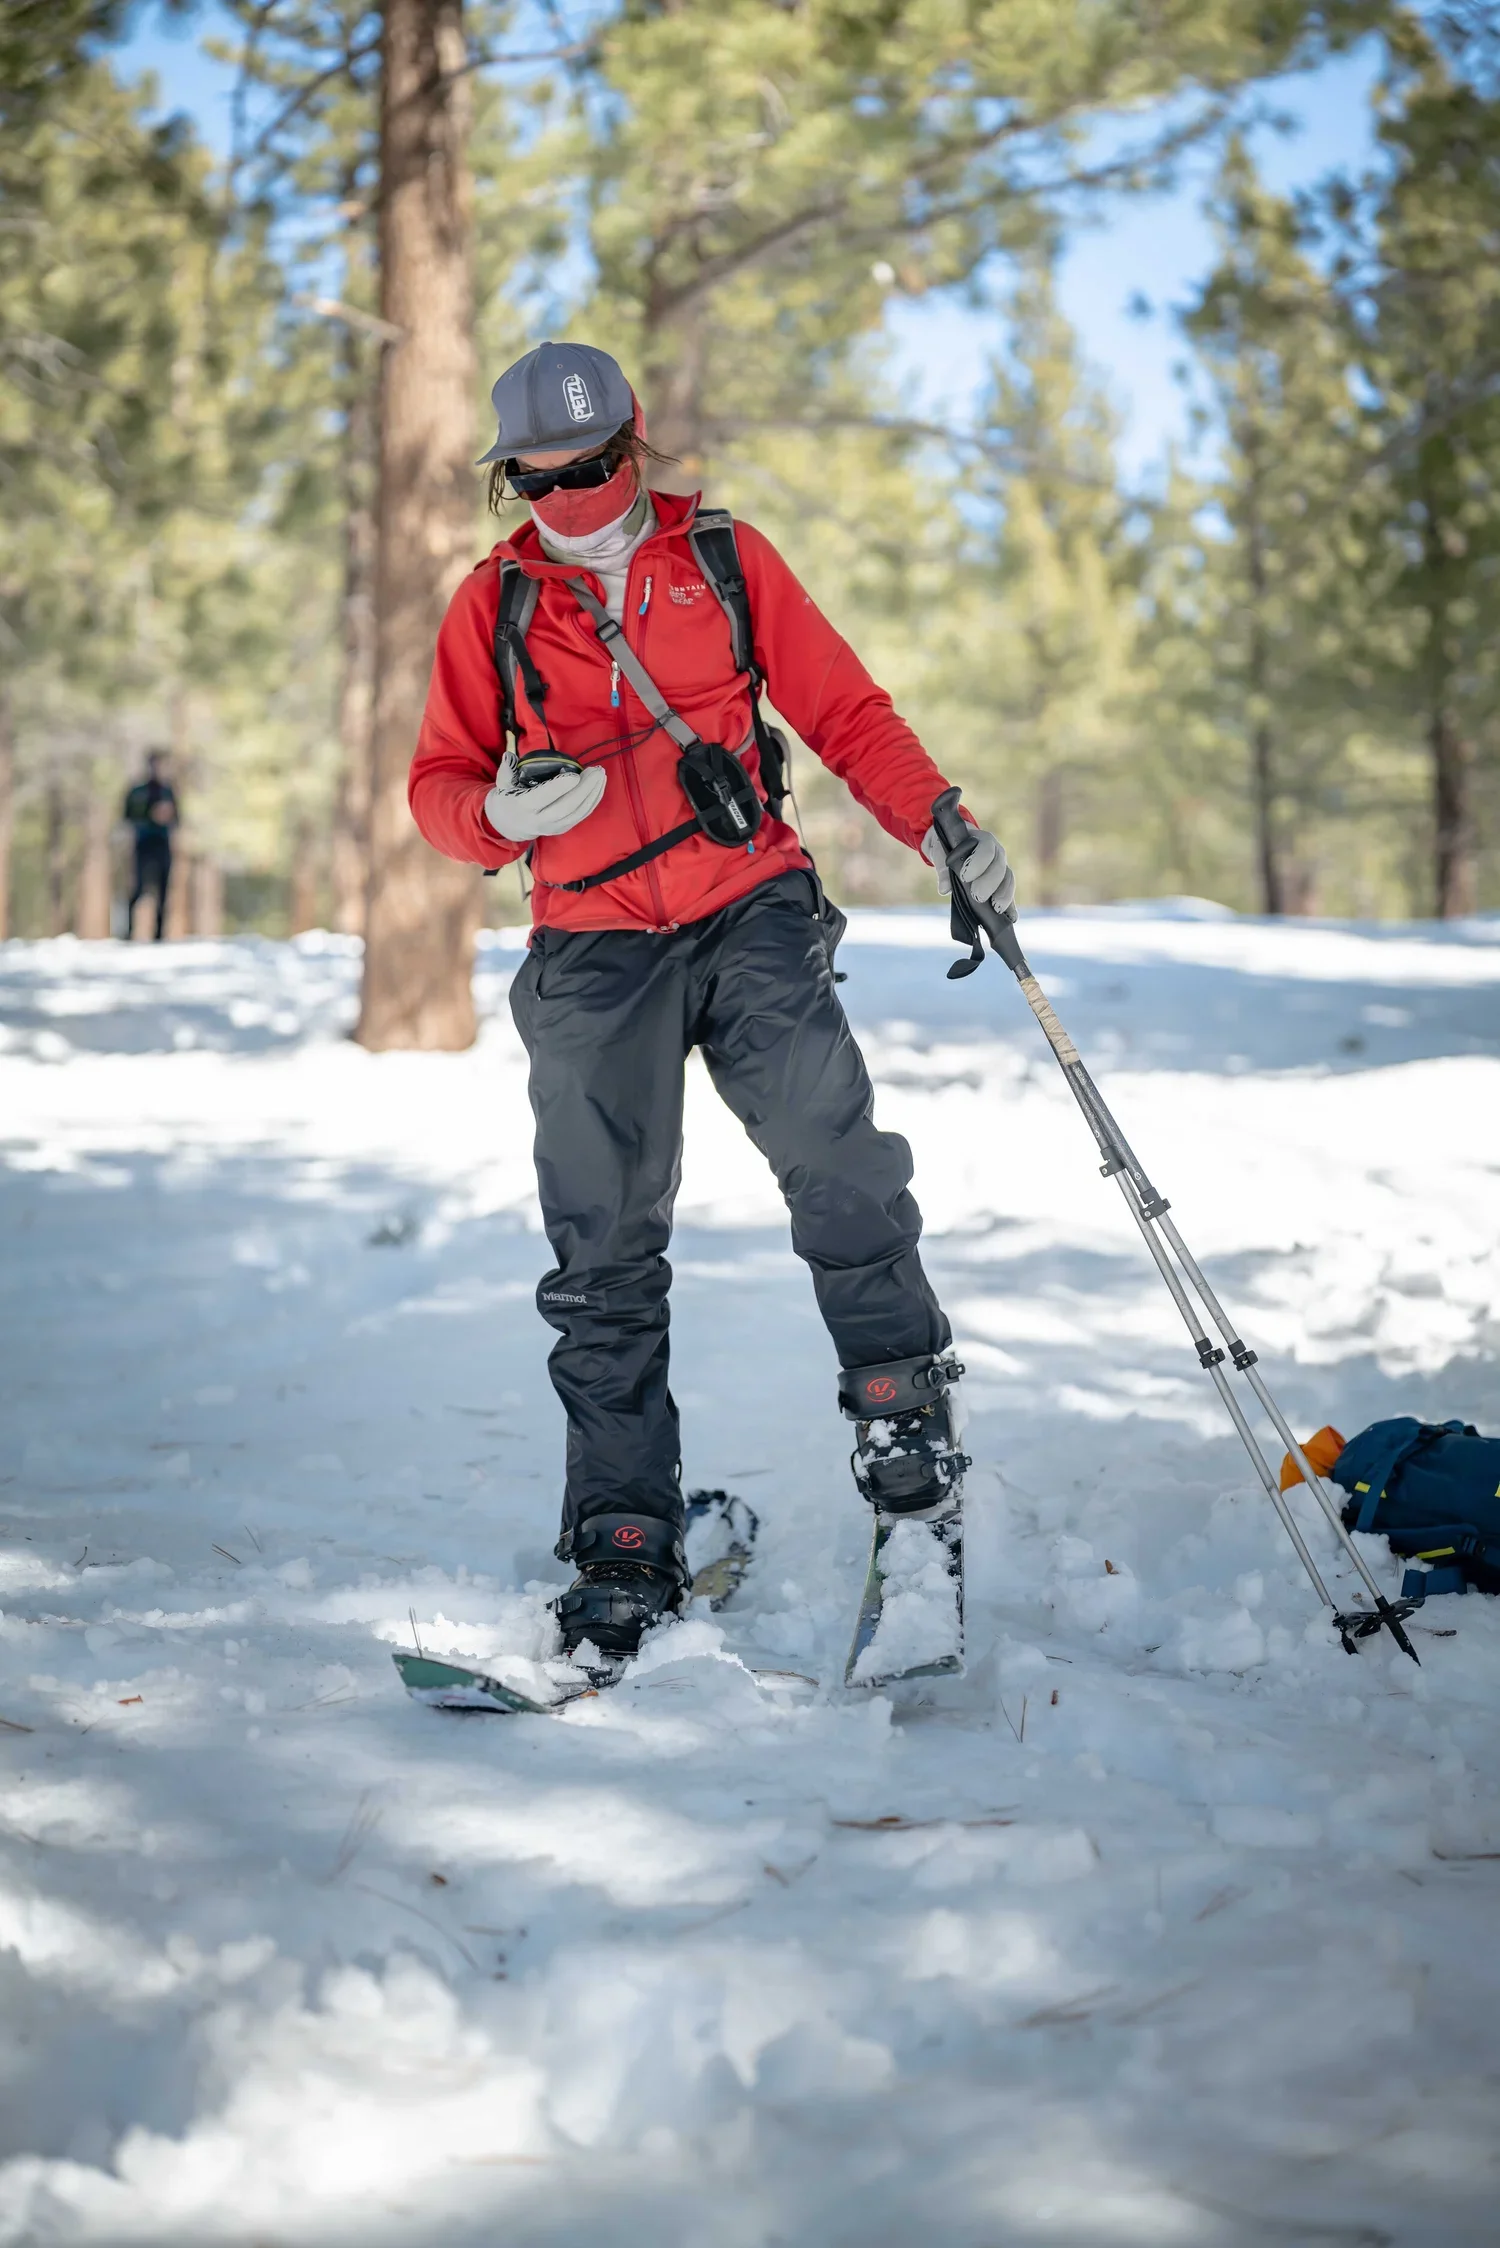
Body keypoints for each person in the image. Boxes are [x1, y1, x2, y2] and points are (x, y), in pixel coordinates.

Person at [408, 340, 1014, 1659]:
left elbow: (845, 711)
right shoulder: (494, 606)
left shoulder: (725, 561)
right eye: (541, 481)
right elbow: (437, 787)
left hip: (750, 910)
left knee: (836, 1161)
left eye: (598, 468)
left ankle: (909, 1455)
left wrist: (941, 823)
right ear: (511, 479)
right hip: (588, 946)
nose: (573, 498)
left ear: (639, 444)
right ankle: (624, 1535)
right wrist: (494, 812)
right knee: (602, 1246)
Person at [122, 751, 178, 940]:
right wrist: (148, 817)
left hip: (162, 844)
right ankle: (129, 931)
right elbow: (126, 817)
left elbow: (177, 819)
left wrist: (166, 817)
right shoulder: (138, 791)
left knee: (163, 890)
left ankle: (159, 934)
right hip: (143, 843)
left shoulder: (168, 791)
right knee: (138, 888)